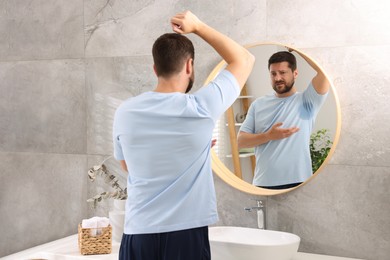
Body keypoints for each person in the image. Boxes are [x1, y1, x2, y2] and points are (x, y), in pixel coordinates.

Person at [112, 11, 254, 260]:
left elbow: (129, 166)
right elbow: (244, 59)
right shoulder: (201, 107)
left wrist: (187, 150)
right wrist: (197, 26)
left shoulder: (124, 112)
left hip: (137, 234)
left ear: (155, 68)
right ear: (189, 65)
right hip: (185, 234)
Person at [237, 50, 329, 189]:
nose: (277, 78)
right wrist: (268, 136)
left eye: (283, 72)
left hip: (299, 182)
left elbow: (324, 72)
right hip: (263, 183)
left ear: (295, 73)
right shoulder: (258, 104)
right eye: (273, 73)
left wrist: (297, 49)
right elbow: (241, 141)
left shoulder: (308, 101)